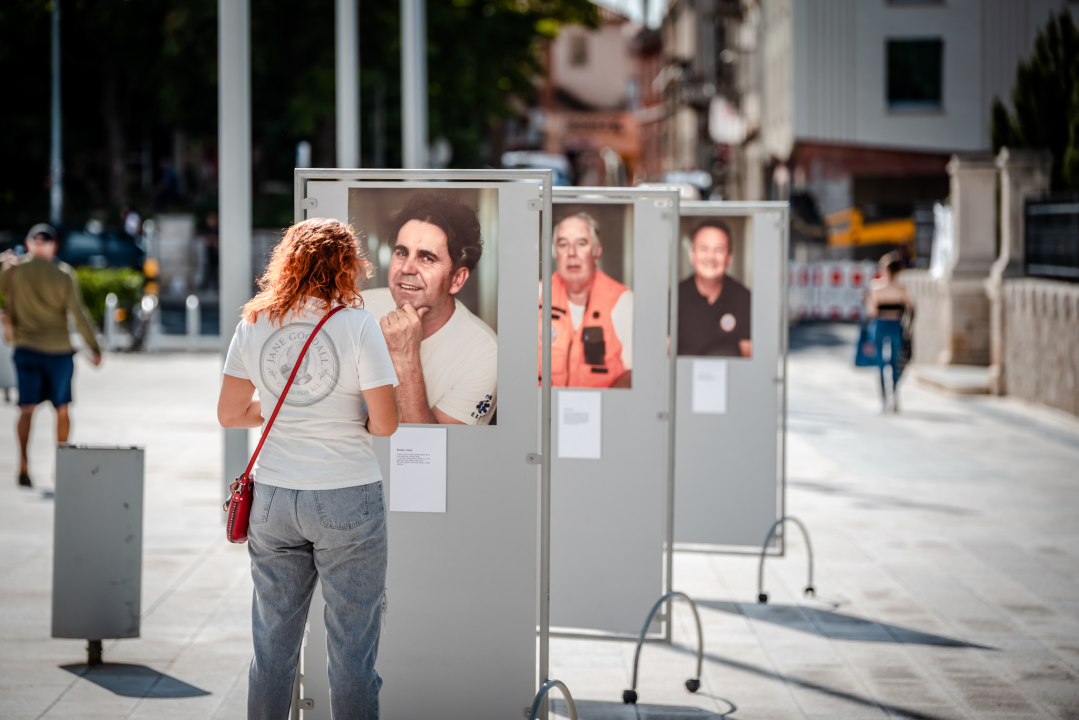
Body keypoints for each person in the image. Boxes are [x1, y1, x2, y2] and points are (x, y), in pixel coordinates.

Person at [217, 218, 400, 719]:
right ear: (347, 266)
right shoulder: (358, 325)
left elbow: (230, 414)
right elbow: (385, 425)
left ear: (287, 262)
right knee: (351, 653)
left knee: (272, 650)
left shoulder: (254, 323)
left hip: (274, 497)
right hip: (347, 496)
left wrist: (281, 409)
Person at [361, 193, 498, 424]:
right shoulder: (359, 309)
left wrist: (404, 357)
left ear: (457, 279)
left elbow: (430, 454)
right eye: (402, 252)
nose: (407, 268)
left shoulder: (484, 354)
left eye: (427, 258)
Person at [0, 224, 102, 488]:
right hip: (59, 351)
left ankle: (23, 462)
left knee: (25, 408)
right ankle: (61, 465)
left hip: (26, 347)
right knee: (62, 409)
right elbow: (78, 314)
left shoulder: (13, 270)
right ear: (53, 246)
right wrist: (94, 348)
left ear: (28, 243)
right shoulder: (63, 273)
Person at [539, 212, 633, 388]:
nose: (572, 253)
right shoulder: (535, 295)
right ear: (554, 252)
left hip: (603, 412)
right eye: (563, 244)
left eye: (581, 244)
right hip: (542, 412)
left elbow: (636, 372)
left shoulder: (623, 301)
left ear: (596, 252)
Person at [677, 220, 752, 358]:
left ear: (729, 258)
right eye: (704, 248)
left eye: (719, 250)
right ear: (692, 254)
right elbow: (663, 359)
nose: (711, 257)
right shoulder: (674, 298)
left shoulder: (745, 299)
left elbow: (749, 360)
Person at [865, 253, 913, 412]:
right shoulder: (902, 289)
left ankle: (884, 400)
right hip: (896, 325)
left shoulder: (876, 286)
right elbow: (911, 307)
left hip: (880, 324)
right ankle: (895, 399)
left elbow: (871, 311)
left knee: (880, 363)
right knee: (895, 362)